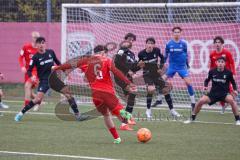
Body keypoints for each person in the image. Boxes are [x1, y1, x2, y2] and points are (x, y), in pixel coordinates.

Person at [53, 45, 136, 144]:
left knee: (106, 115)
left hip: (96, 95)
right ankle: (126, 115)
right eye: (105, 52)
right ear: (102, 52)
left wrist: (56, 67)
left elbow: (70, 65)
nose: (105, 54)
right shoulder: (106, 60)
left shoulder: (86, 61)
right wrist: (128, 82)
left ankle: (116, 138)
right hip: (107, 93)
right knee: (120, 110)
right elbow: (116, 72)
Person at [14, 37, 88, 122]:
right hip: (44, 81)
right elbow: (29, 70)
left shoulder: (50, 52)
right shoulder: (35, 57)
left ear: (45, 44)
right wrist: (31, 77)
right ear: (37, 45)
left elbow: (58, 63)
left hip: (54, 79)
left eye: (43, 43)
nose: (42, 45)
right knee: (38, 99)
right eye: (40, 43)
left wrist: (64, 71)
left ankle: (78, 115)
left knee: (68, 94)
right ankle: (21, 113)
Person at [184, 57, 240, 125]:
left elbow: (233, 82)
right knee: (200, 101)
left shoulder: (228, 73)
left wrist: (235, 90)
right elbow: (206, 80)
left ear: (225, 63)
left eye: (222, 62)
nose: (220, 63)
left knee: (232, 101)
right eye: (219, 62)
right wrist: (205, 87)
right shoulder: (212, 71)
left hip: (224, 94)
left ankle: (237, 120)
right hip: (213, 94)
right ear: (216, 63)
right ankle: (192, 118)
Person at [138, 37, 181, 119]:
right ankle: (148, 110)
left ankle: (172, 110)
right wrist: (134, 71)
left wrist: (160, 68)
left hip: (156, 74)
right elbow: (139, 64)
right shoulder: (141, 54)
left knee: (165, 90)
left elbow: (162, 58)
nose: (150, 45)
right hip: (147, 74)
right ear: (146, 44)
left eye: (152, 43)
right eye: (148, 43)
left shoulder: (157, 50)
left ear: (154, 45)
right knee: (151, 89)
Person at [114, 33, 144, 130]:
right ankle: (125, 122)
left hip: (128, 78)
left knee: (130, 99)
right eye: (129, 39)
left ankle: (126, 116)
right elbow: (117, 62)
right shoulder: (121, 50)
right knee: (133, 92)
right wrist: (128, 71)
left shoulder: (131, 54)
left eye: (132, 40)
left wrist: (139, 65)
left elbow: (133, 68)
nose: (130, 41)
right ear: (125, 40)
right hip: (120, 76)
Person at [163, 26, 196, 111]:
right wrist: (161, 65)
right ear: (173, 33)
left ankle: (193, 102)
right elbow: (166, 55)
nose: (176, 33)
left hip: (181, 67)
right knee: (161, 81)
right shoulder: (168, 44)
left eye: (178, 32)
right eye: (175, 32)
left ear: (181, 33)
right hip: (172, 66)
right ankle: (159, 100)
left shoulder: (184, 43)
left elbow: (185, 55)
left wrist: (187, 64)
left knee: (188, 83)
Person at [209, 36, 236, 114]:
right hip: (217, 75)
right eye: (216, 42)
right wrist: (210, 74)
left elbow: (232, 63)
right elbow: (212, 65)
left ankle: (233, 105)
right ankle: (223, 106)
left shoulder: (227, 53)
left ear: (222, 43)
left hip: (226, 75)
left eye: (219, 42)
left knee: (231, 91)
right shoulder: (212, 54)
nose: (217, 44)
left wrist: (233, 73)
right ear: (214, 44)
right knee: (218, 91)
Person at [18, 31, 41, 111]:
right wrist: (22, 67)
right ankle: (38, 101)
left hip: (36, 72)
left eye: (38, 38)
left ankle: (25, 107)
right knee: (30, 93)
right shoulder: (26, 47)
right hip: (28, 71)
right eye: (35, 37)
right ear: (32, 38)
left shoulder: (40, 49)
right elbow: (20, 57)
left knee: (27, 86)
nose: (36, 39)